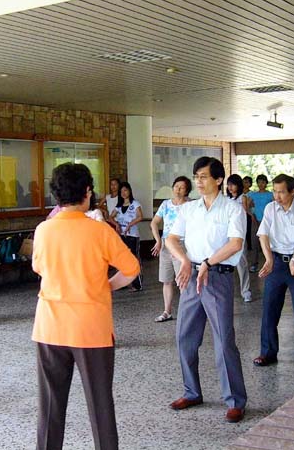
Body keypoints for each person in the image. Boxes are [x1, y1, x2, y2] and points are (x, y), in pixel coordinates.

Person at [31, 162, 140, 450]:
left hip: (50, 327)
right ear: (87, 191)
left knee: (50, 406)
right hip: (91, 330)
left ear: (56, 194)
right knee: (100, 404)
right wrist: (106, 285)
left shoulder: (43, 230)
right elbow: (131, 269)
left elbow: (39, 268)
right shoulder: (100, 231)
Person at [166, 156, 247, 424]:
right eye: (196, 177)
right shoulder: (189, 209)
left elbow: (235, 244)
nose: (198, 182)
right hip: (191, 277)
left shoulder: (232, 209)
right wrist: (184, 260)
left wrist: (208, 263)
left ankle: (235, 401)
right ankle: (191, 392)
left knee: (223, 339)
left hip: (217, 276)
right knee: (185, 337)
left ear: (219, 179)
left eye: (203, 176)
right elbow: (171, 239)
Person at [253, 174, 294, 372]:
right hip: (276, 263)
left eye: (281, 192)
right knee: (270, 309)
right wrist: (269, 259)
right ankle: (268, 352)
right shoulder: (270, 208)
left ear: (292, 191)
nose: (277, 196)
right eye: (275, 191)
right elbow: (263, 234)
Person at [150, 175, 192, 322]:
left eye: (182, 187)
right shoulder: (166, 204)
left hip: (181, 244)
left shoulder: (191, 205)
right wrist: (158, 241)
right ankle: (167, 311)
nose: (178, 190)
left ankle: (187, 312)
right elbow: (154, 223)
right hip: (166, 244)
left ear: (187, 190)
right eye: (176, 186)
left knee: (183, 280)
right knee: (166, 280)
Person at [109, 182, 143, 291]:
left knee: (134, 258)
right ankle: (123, 282)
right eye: (121, 191)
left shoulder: (135, 204)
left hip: (132, 235)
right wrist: (116, 224)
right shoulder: (119, 206)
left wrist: (130, 224)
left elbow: (140, 216)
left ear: (129, 191)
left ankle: (137, 284)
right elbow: (110, 217)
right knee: (123, 258)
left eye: (125, 190)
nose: (123, 193)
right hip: (122, 235)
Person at [226, 174, 252, 302]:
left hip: (239, 235)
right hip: (227, 235)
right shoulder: (226, 199)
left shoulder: (243, 197)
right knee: (226, 264)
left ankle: (246, 291)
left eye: (233, 184)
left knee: (242, 263)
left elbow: (244, 213)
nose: (230, 187)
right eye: (228, 185)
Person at [248, 174, 273, 272]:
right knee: (254, 243)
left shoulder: (270, 195)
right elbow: (247, 206)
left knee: (269, 243)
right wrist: (252, 215)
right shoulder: (253, 195)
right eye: (259, 182)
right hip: (256, 220)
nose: (261, 184)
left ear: (266, 183)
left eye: (263, 182)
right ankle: (254, 264)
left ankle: (270, 263)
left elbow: (275, 207)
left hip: (268, 222)